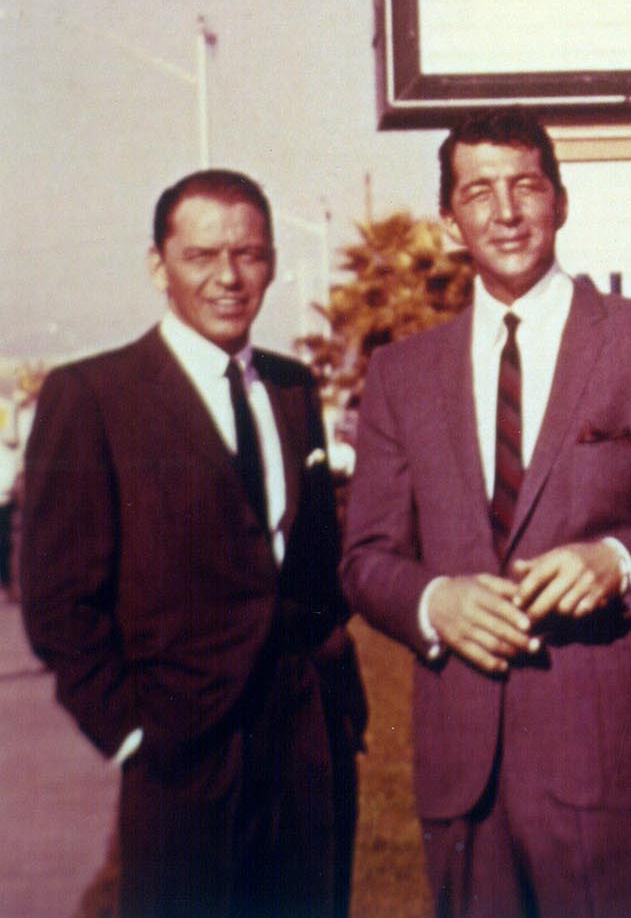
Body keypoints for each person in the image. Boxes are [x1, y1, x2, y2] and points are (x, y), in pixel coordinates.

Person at [342, 108, 631, 918]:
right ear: (451, 219)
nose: (505, 211)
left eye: (525, 186)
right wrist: (429, 602)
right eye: (478, 192)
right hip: (462, 778)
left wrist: (618, 560)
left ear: (561, 200)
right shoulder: (402, 373)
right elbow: (366, 554)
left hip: (606, 769)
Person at [19, 169, 365, 918]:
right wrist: (134, 732)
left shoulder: (294, 388)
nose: (228, 276)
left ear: (272, 261)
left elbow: (309, 574)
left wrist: (338, 713)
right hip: (182, 762)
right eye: (202, 255)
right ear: (159, 265)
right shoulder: (93, 395)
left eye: (249, 253)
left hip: (306, 753)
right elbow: (56, 601)